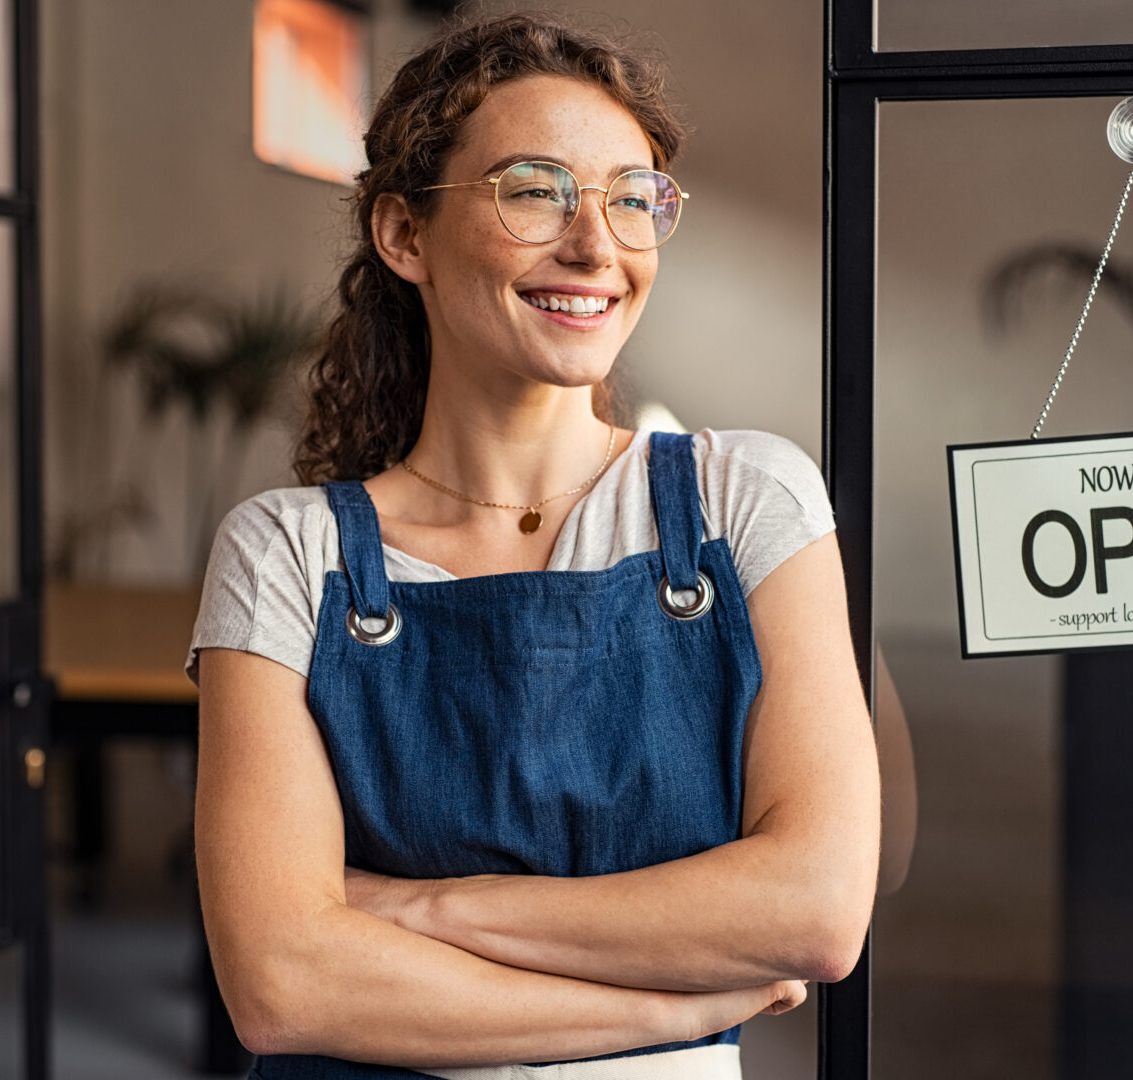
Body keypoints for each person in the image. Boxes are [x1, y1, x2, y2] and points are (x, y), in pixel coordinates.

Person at [186, 13, 881, 1078]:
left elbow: (819, 910)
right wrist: (670, 1012)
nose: (595, 245)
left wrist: (417, 909)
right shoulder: (285, 553)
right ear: (403, 237)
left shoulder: (747, 501)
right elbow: (281, 987)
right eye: (534, 190)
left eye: (631, 199)